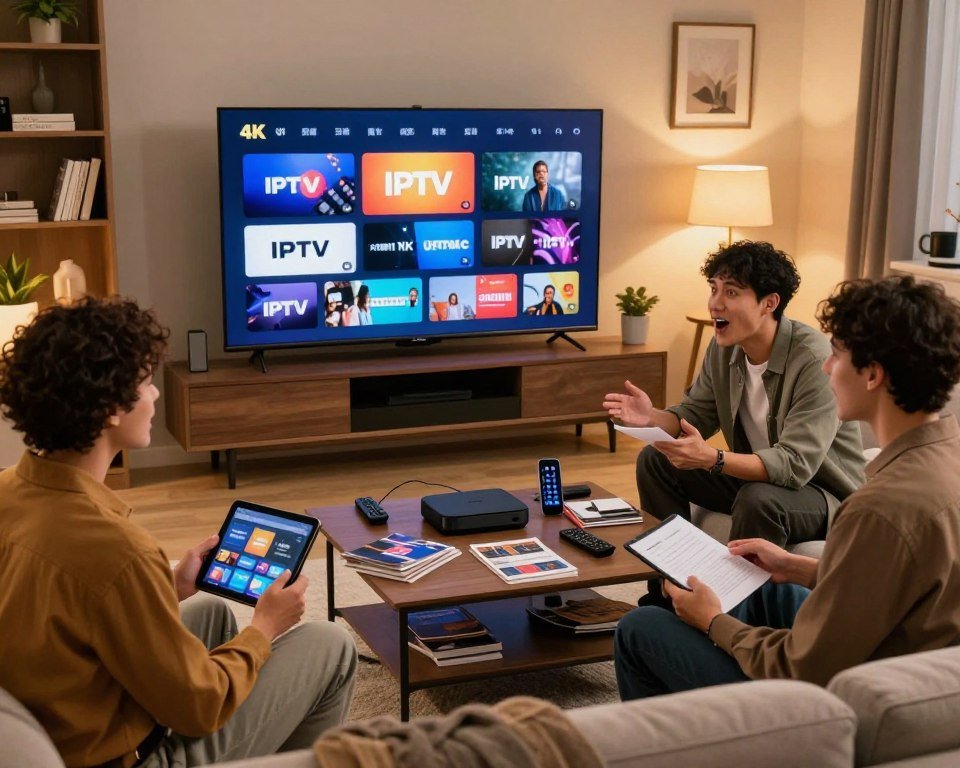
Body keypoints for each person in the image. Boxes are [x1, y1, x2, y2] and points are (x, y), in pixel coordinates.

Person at [0, 297, 357, 767]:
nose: (155, 395)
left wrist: (168, 587)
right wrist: (265, 630)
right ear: (111, 407)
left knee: (207, 606)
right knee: (331, 644)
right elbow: (199, 708)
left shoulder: (8, 489)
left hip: (58, 718)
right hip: (125, 759)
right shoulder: (118, 551)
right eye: (146, 382)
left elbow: (59, 612)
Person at [614, 275, 960, 699]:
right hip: (893, 650)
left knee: (639, 629)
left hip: (842, 693)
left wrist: (713, 623)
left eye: (836, 354)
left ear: (872, 374)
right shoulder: (947, 459)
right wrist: (796, 567)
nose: (826, 367)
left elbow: (804, 665)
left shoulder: (877, 508)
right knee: (758, 592)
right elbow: (893, 586)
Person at [603, 241, 865, 608]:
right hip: (759, 476)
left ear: (769, 303)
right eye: (713, 289)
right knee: (655, 460)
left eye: (732, 292)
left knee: (759, 499)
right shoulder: (724, 347)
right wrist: (653, 418)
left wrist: (712, 459)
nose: (716, 303)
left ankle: (734, 613)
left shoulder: (812, 359)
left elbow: (795, 465)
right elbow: (696, 414)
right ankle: (668, 591)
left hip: (822, 493)